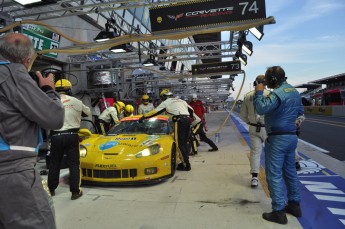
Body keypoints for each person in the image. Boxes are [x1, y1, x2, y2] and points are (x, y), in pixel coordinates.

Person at [0, 32, 64, 229]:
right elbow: (54, 118)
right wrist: (48, 90)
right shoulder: (13, 74)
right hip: (13, 171)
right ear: (27, 61)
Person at [254, 66, 304, 225]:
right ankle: (295, 205)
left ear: (273, 79)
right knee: (290, 171)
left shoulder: (278, 93)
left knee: (273, 174)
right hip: (291, 138)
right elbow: (301, 114)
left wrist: (259, 91)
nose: (266, 82)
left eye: (268, 80)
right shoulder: (295, 92)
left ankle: (278, 212)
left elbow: (261, 108)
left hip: (277, 138)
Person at [48, 79, 91, 200]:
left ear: (55, 90)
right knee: (74, 164)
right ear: (70, 89)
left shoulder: (50, 101)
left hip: (56, 136)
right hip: (72, 135)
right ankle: (75, 192)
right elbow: (87, 113)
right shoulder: (76, 101)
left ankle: (51, 190)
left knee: (54, 164)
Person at [139, 89, 194, 171]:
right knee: (184, 142)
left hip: (179, 120)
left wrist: (144, 117)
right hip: (187, 120)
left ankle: (186, 165)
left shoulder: (166, 102)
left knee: (179, 143)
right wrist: (190, 117)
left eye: (161, 97)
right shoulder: (181, 101)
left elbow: (155, 111)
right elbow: (191, 110)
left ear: (164, 96)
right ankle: (185, 162)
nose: (161, 99)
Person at [240, 75, 270, 188]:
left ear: (255, 83)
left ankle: (254, 177)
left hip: (253, 128)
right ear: (265, 83)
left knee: (255, 152)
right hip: (267, 128)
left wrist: (250, 122)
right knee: (271, 152)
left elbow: (243, 115)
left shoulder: (248, 96)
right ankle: (271, 176)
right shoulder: (270, 94)